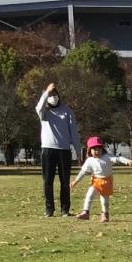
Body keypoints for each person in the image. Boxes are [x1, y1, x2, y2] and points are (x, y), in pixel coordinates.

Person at [36, 83, 81, 216]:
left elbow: (74, 132)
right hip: (47, 150)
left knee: (65, 181)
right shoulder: (44, 112)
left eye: (55, 95)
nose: (53, 97)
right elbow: (38, 107)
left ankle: (65, 209)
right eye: (51, 95)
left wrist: (78, 151)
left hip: (64, 150)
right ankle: (49, 210)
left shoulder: (67, 111)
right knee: (47, 181)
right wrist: (46, 92)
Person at [71, 136, 132, 222]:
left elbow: (118, 158)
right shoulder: (89, 160)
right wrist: (76, 181)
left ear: (102, 149)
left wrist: (127, 161)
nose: (97, 151)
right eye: (94, 149)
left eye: (99, 149)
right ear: (89, 150)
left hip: (106, 181)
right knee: (89, 195)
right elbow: (83, 172)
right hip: (95, 181)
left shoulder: (107, 157)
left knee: (104, 200)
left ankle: (105, 214)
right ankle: (85, 212)